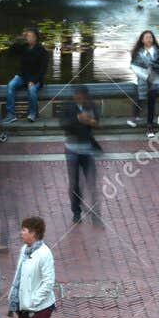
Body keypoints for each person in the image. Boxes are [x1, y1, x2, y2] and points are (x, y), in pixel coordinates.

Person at [59, 86, 103, 226]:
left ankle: (96, 215)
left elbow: (97, 123)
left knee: (92, 183)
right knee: (74, 183)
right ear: (75, 95)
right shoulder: (67, 106)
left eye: (84, 95)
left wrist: (91, 122)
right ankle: (76, 212)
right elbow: (63, 124)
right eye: (79, 95)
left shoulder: (90, 105)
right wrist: (78, 118)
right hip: (72, 150)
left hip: (87, 149)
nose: (82, 97)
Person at [2, 28, 49, 123]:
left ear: (35, 38)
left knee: (31, 90)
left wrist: (34, 81)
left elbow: (42, 70)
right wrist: (17, 41)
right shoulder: (24, 47)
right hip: (23, 77)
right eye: (27, 36)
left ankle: (32, 113)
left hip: (35, 78)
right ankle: (11, 114)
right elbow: (10, 53)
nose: (28, 38)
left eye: (30, 36)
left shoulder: (42, 51)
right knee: (11, 85)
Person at [128, 29, 159, 130]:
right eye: (147, 38)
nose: (149, 39)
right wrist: (145, 75)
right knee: (138, 96)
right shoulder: (137, 53)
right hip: (141, 80)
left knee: (151, 103)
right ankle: (135, 117)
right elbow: (133, 66)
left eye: (150, 37)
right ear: (142, 40)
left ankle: (150, 125)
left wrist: (153, 72)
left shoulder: (158, 51)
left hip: (155, 80)